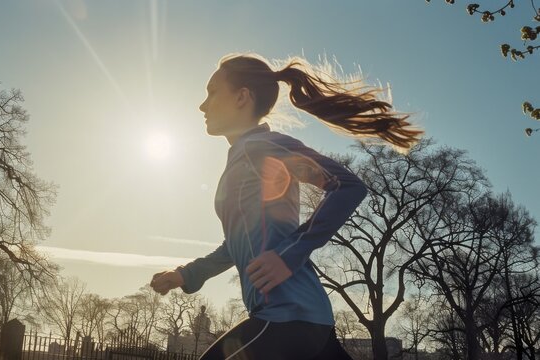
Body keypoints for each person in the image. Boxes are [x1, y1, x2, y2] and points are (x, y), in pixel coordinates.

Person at [150, 53, 422, 359]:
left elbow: (347, 186)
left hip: (288, 318)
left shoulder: (263, 146)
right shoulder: (241, 157)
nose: (203, 105)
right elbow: (238, 243)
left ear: (242, 97)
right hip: (299, 319)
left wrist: (288, 256)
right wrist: (187, 274)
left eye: (212, 92)